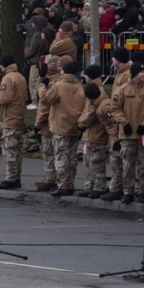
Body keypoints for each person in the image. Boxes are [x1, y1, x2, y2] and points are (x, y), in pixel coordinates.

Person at [37, 59, 83, 196]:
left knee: (61, 157)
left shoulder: (59, 85)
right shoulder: (79, 85)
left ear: (64, 71)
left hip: (60, 126)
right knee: (71, 158)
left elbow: (46, 99)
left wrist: (41, 86)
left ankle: (63, 185)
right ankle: (70, 184)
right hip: (74, 126)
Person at [78, 80, 122, 198]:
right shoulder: (95, 105)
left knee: (97, 164)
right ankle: (90, 187)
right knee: (88, 164)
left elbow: (112, 123)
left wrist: (116, 138)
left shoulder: (104, 106)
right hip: (91, 136)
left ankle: (99, 187)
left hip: (100, 138)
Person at [112, 62, 144, 204]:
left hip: (142, 134)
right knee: (128, 163)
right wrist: (124, 122)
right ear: (134, 74)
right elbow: (114, 108)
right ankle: (128, 191)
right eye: (141, 72)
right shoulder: (122, 90)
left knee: (143, 163)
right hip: (127, 134)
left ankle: (143, 190)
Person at [0, 54, 28, 190]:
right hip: (19, 116)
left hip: (10, 118)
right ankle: (16, 176)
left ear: (4, 65)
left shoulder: (7, 78)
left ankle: (11, 178)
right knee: (17, 151)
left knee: (9, 150)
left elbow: (5, 99)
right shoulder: (20, 77)